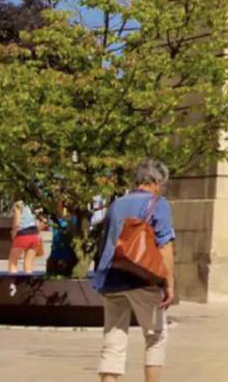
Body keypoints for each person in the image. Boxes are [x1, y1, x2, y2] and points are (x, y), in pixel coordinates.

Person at [92, 158, 176, 382]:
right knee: (156, 336)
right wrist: (170, 284)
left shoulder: (117, 204)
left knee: (113, 340)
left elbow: (106, 242)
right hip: (143, 278)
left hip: (112, 278)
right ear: (156, 181)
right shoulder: (159, 204)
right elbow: (165, 245)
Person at [8, 200, 43, 273]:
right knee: (28, 265)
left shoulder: (18, 204)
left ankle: (12, 282)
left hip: (22, 234)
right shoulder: (33, 204)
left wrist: (13, 233)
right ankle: (27, 283)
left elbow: (17, 223)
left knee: (13, 263)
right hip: (34, 234)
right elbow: (41, 222)